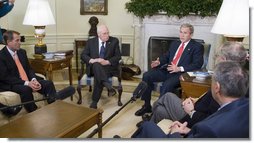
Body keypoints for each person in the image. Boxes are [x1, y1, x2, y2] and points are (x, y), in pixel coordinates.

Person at [132, 61, 249, 138]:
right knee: (159, 110)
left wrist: (175, 134)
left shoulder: (208, 128)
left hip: (190, 121)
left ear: (217, 87)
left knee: (147, 126)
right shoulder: (248, 107)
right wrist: (188, 131)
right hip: (191, 123)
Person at [147, 41, 248, 127]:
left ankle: (147, 127)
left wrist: (191, 111)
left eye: (217, 56)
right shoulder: (240, 77)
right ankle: (149, 131)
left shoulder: (226, 83)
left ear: (224, 59)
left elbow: (211, 119)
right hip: (195, 109)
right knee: (160, 110)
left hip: (194, 118)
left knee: (167, 97)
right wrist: (197, 100)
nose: (215, 59)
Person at [135, 23, 204, 116]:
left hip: (181, 74)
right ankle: (146, 105)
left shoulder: (197, 47)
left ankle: (156, 111)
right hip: (168, 70)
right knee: (147, 75)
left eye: (185, 33)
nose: (182, 35)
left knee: (167, 85)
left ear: (191, 35)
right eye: (181, 32)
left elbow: (197, 64)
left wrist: (179, 68)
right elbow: (166, 56)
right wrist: (159, 62)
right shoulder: (175, 43)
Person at [0, 30, 74, 113]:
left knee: (48, 83)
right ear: (8, 42)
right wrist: (27, 83)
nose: (20, 43)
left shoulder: (22, 52)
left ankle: (54, 107)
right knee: (26, 89)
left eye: (20, 40)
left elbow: (29, 69)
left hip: (27, 80)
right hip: (12, 83)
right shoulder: (1, 56)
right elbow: (6, 77)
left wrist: (33, 79)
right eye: (17, 40)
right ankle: (34, 112)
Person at [81, 24, 121, 109]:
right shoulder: (91, 42)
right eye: (104, 33)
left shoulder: (114, 41)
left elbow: (118, 56)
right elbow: (83, 55)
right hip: (94, 67)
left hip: (108, 68)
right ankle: (108, 86)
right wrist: (93, 60)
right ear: (98, 34)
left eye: (107, 33)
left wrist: (107, 62)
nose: (107, 35)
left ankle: (94, 102)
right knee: (96, 65)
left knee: (98, 75)